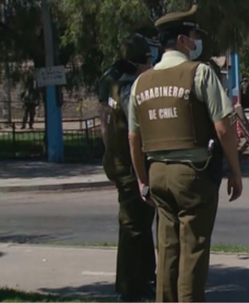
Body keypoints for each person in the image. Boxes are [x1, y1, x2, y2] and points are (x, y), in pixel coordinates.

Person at [127, 5, 243, 302]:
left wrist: (142, 181)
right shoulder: (199, 73)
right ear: (181, 40)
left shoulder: (141, 82)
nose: (197, 42)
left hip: (157, 175)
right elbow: (223, 128)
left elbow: (134, 137)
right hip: (193, 176)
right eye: (194, 36)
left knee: (167, 249)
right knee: (193, 250)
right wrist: (235, 171)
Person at [101, 35, 156, 302]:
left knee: (138, 223)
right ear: (140, 62)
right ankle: (131, 286)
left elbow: (103, 124)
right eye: (148, 60)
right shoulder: (128, 87)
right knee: (134, 225)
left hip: (117, 160)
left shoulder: (110, 80)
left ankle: (142, 278)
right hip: (131, 165)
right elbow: (137, 128)